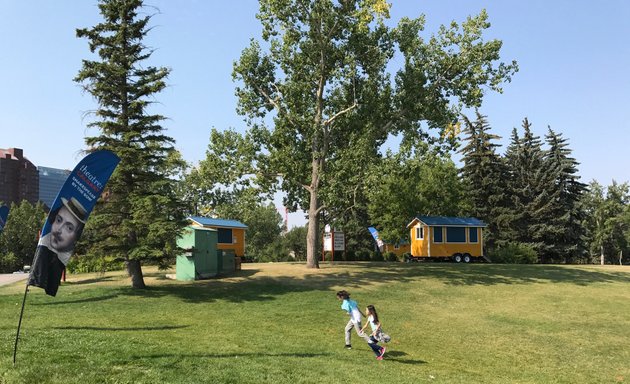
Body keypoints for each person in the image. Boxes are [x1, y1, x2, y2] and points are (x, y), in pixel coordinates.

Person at [28, 197, 87, 296]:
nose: (59, 230)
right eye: (59, 220)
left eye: (69, 227)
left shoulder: (61, 259)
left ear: (75, 236)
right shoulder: (43, 248)